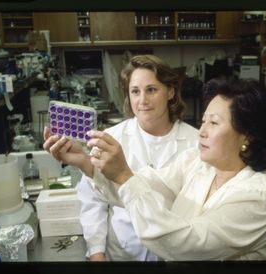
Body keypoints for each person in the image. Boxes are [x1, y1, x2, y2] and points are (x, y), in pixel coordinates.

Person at [83, 78, 266, 260]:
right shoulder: (199, 164)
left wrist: (123, 175)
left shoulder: (260, 198)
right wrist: (83, 162)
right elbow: (150, 186)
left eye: (214, 123)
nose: (202, 132)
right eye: (203, 121)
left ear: (247, 135)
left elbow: (185, 245)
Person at [43, 55, 199, 261]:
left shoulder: (196, 142)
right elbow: (93, 202)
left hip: (175, 256)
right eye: (135, 91)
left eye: (151, 90)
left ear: (170, 92)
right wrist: (96, 253)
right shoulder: (112, 138)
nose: (142, 100)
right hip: (123, 254)